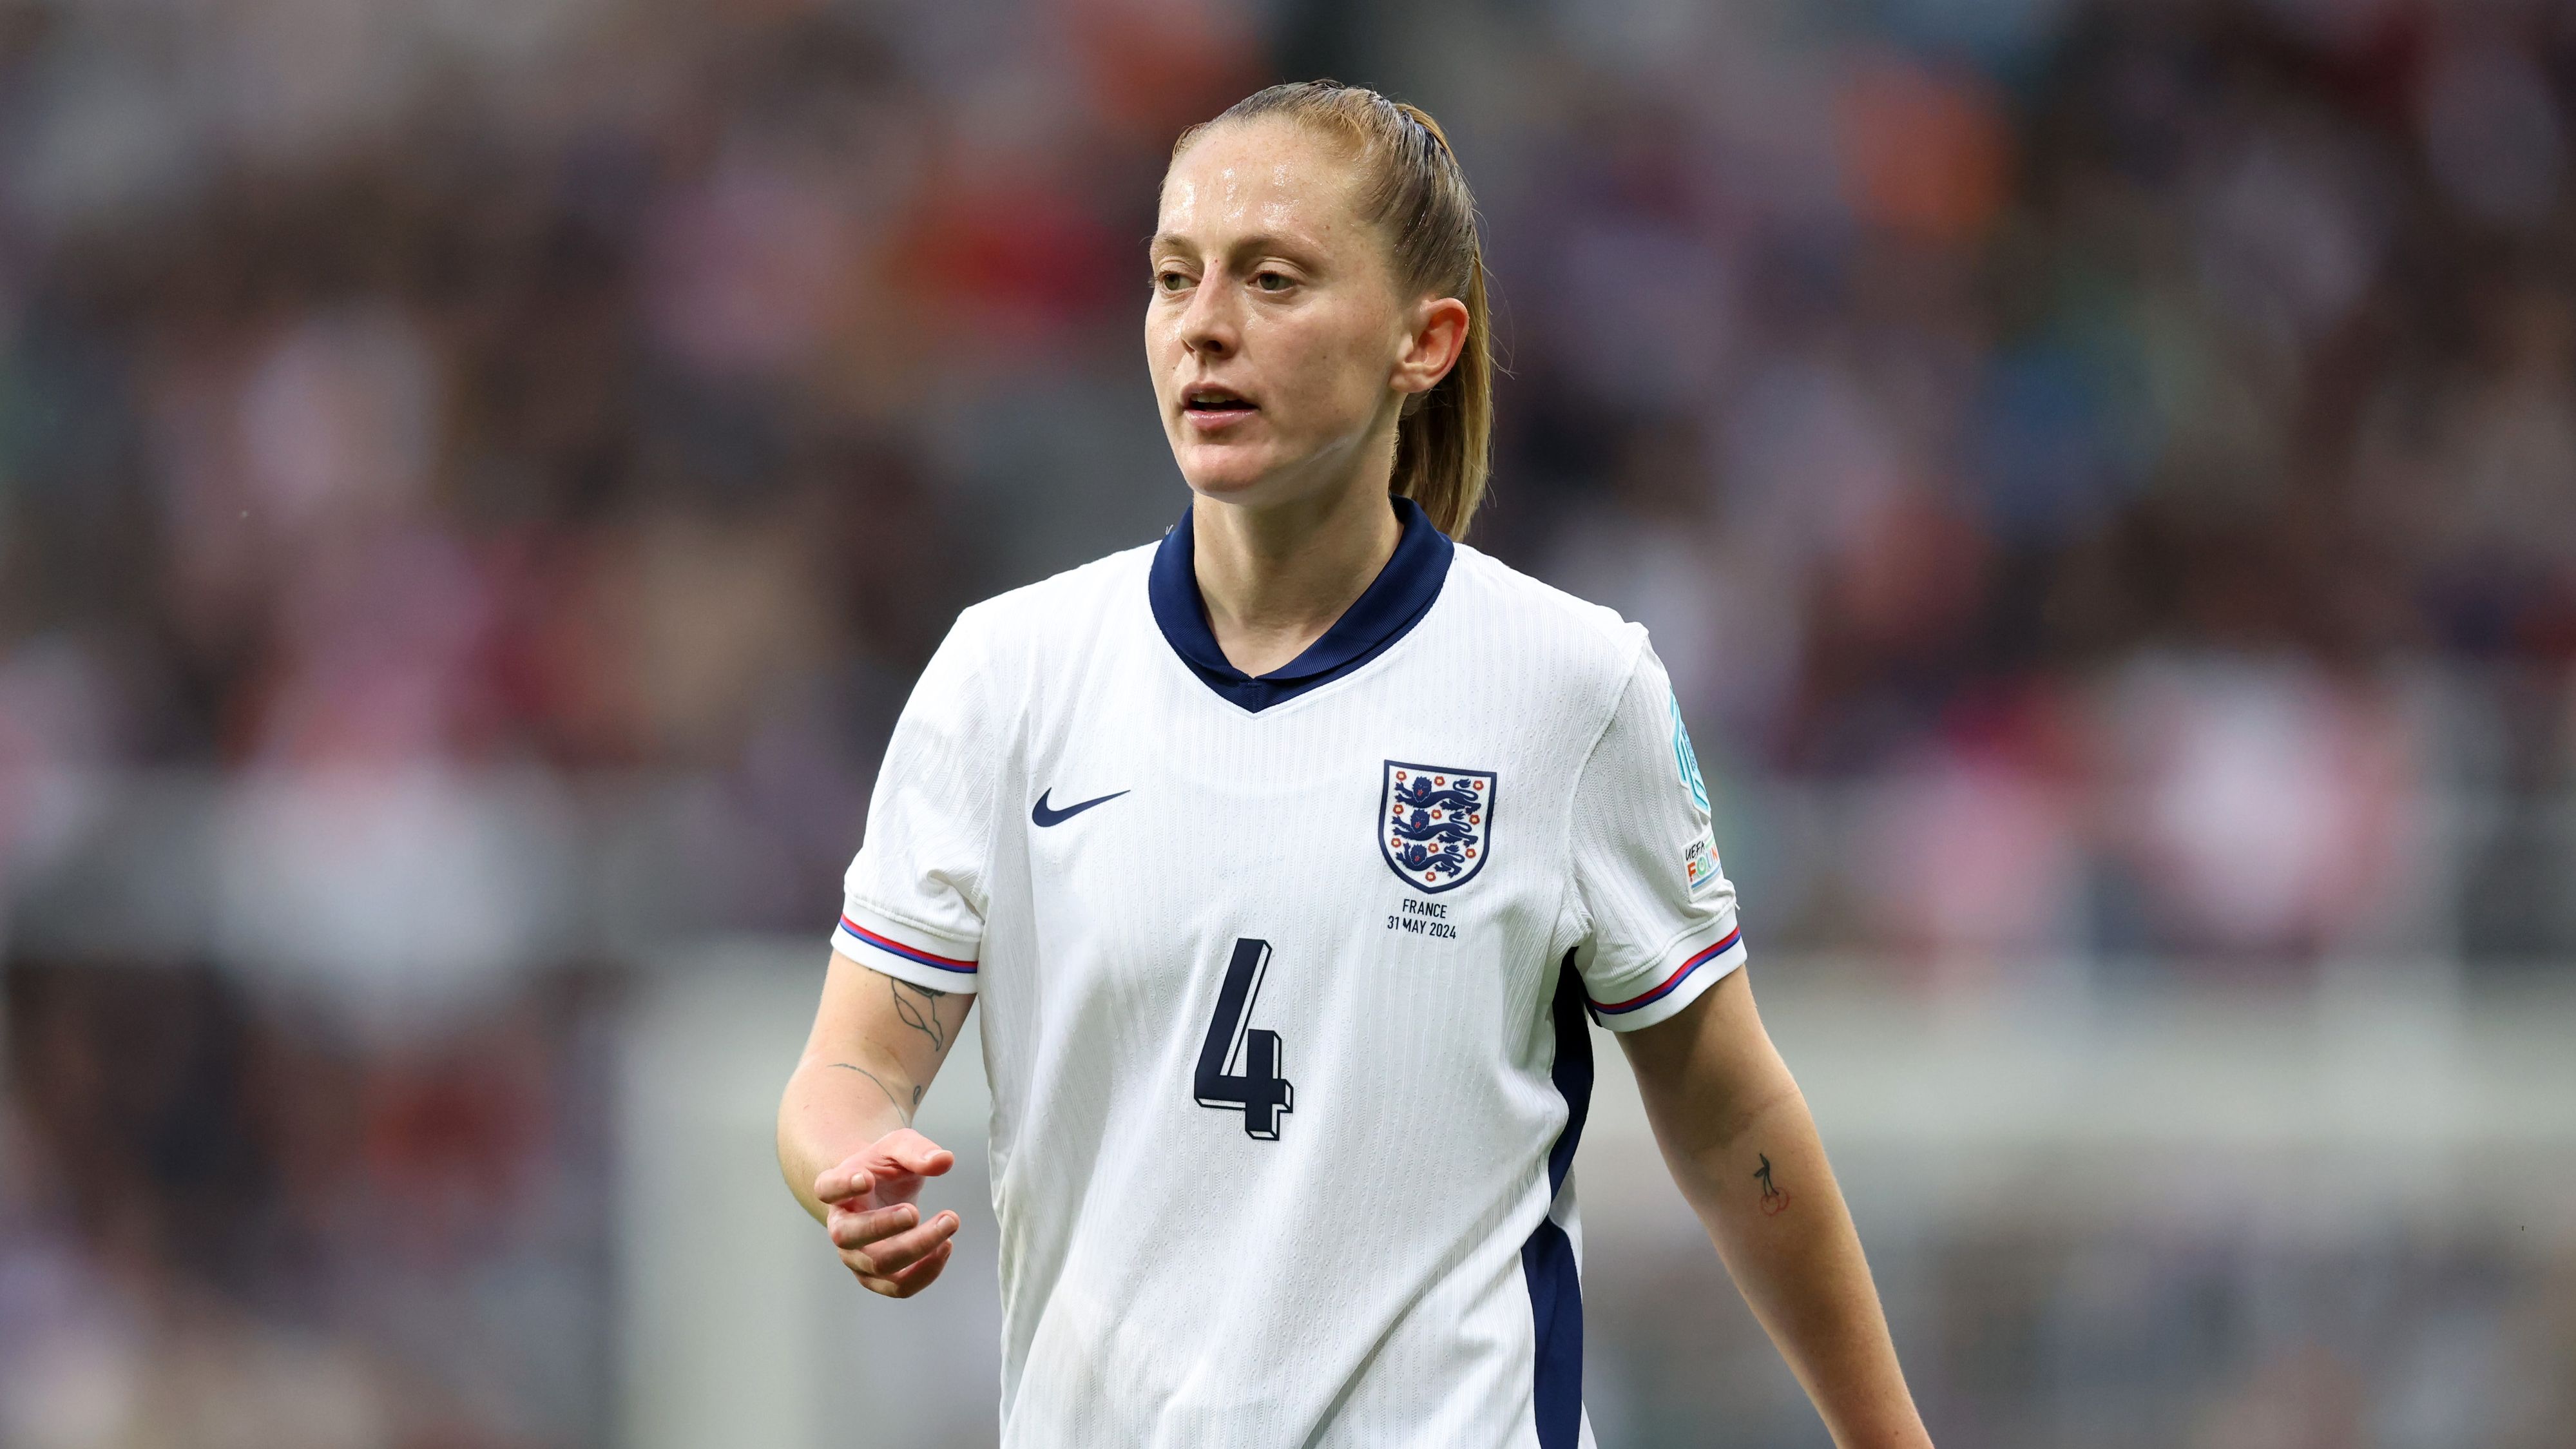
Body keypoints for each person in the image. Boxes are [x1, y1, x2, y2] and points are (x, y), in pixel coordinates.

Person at [776, 80, 1934, 1448]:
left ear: (1422, 342)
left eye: (1272, 279)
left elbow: (1727, 1111)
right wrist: (849, 1161)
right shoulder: (1009, 674)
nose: (1204, 323)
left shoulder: (1568, 686)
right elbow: (851, 1065)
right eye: (1174, 277)